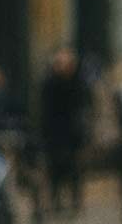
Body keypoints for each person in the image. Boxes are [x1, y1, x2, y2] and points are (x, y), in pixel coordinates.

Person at [38, 45, 93, 212]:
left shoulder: (78, 82)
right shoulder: (50, 83)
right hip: (55, 133)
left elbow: (84, 105)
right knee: (55, 168)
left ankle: (75, 201)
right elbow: (45, 110)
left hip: (74, 132)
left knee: (75, 169)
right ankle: (56, 201)